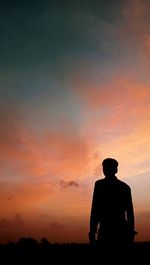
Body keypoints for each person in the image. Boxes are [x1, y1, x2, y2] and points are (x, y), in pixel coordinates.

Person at [89, 158, 136, 250]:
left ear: (115, 170)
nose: (105, 169)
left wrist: (92, 232)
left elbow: (130, 212)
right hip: (110, 230)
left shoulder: (101, 185)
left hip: (114, 231)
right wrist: (92, 232)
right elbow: (95, 210)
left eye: (107, 167)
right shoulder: (123, 187)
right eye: (104, 167)